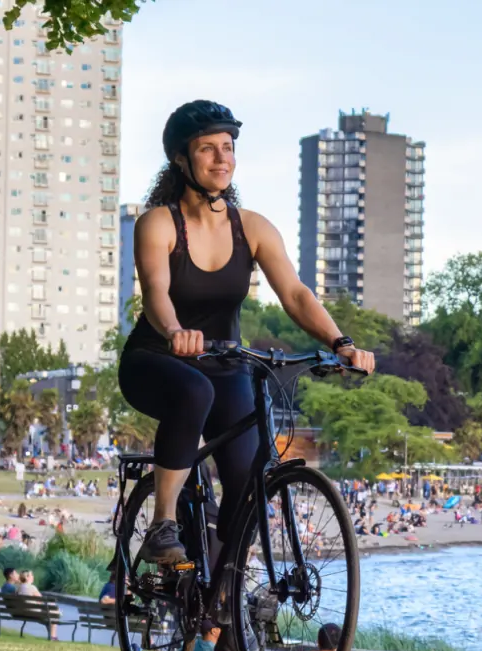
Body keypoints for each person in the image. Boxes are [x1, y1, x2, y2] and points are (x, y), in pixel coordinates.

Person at [118, 99, 376, 572]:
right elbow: (156, 292)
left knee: (249, 477)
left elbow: (296, 294)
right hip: (158, 359)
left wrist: (341, 343)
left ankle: (224, 596)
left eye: (228, 148)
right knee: (193, 391)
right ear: (181, 158)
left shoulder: (252, 227)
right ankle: (161, 525)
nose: (222, 159)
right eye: (208, 149)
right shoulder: (158, 222)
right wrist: (176, 331)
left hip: (226, 363)